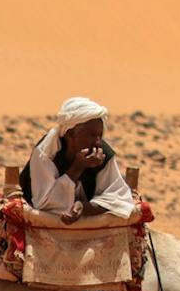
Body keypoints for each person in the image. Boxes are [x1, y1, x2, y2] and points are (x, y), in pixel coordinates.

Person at [19, 96, 137, 224]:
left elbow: (118, 200)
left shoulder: (103, 154)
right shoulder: (46, 153)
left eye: (100, 135)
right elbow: (44, 204)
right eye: (91, 135)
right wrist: (77, 168)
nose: (97, 142)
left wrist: (83, 207)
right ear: (70, 134)